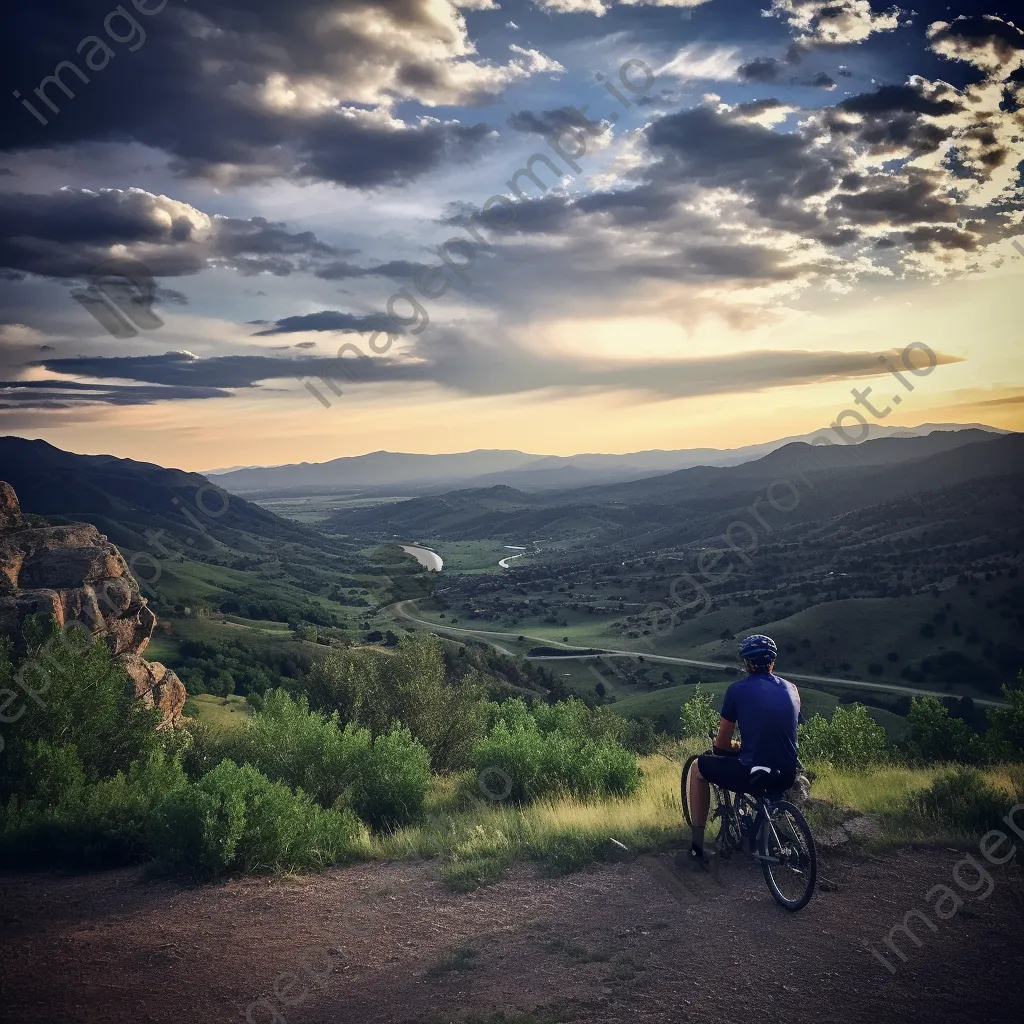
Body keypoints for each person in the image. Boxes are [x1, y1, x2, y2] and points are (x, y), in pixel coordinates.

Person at [683, 634, 801, 868]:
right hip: (788, 772)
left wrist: (736, 746)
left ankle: (696, 850)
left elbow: (721, 744)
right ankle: (758, 834)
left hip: (753, 770)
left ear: (747, 663)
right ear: (773, 662)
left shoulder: (737, 690)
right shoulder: (792, 689)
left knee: (698, 768)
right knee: (763, 775)